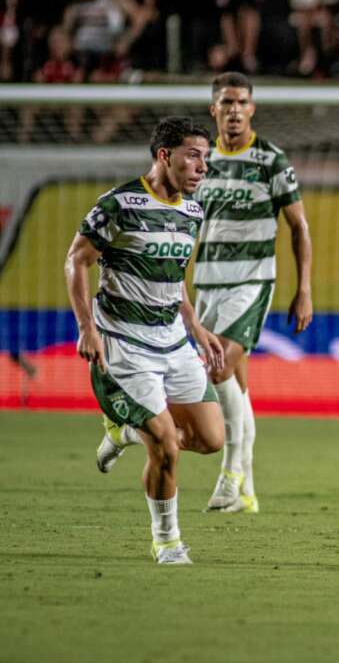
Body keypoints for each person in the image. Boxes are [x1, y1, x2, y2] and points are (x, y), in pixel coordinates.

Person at [69, 117, 226, 564]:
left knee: (211, 439)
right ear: (164, 156)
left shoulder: (193, 212)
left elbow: (173, 278)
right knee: (166, 444)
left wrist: (194, 324)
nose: (202, 167)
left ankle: (123, 430)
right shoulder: (120, 204)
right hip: (123, 342)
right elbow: (76, 262)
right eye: (193, 155)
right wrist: (87, 327)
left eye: (206, 158)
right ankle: (167, 541)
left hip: (173, 339)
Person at [195, 71, 314, 513]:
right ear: (214, 110)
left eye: (241, 102)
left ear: (252, 108)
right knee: (236, 385)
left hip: (252, 281)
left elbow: (298, 226)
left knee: (219, 363)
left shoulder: (271, 160)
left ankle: (230, 477)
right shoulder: (201, 160)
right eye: (226, 103)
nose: (234, 110)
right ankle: (247, 489)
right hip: (207, 284)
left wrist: (304, 289)